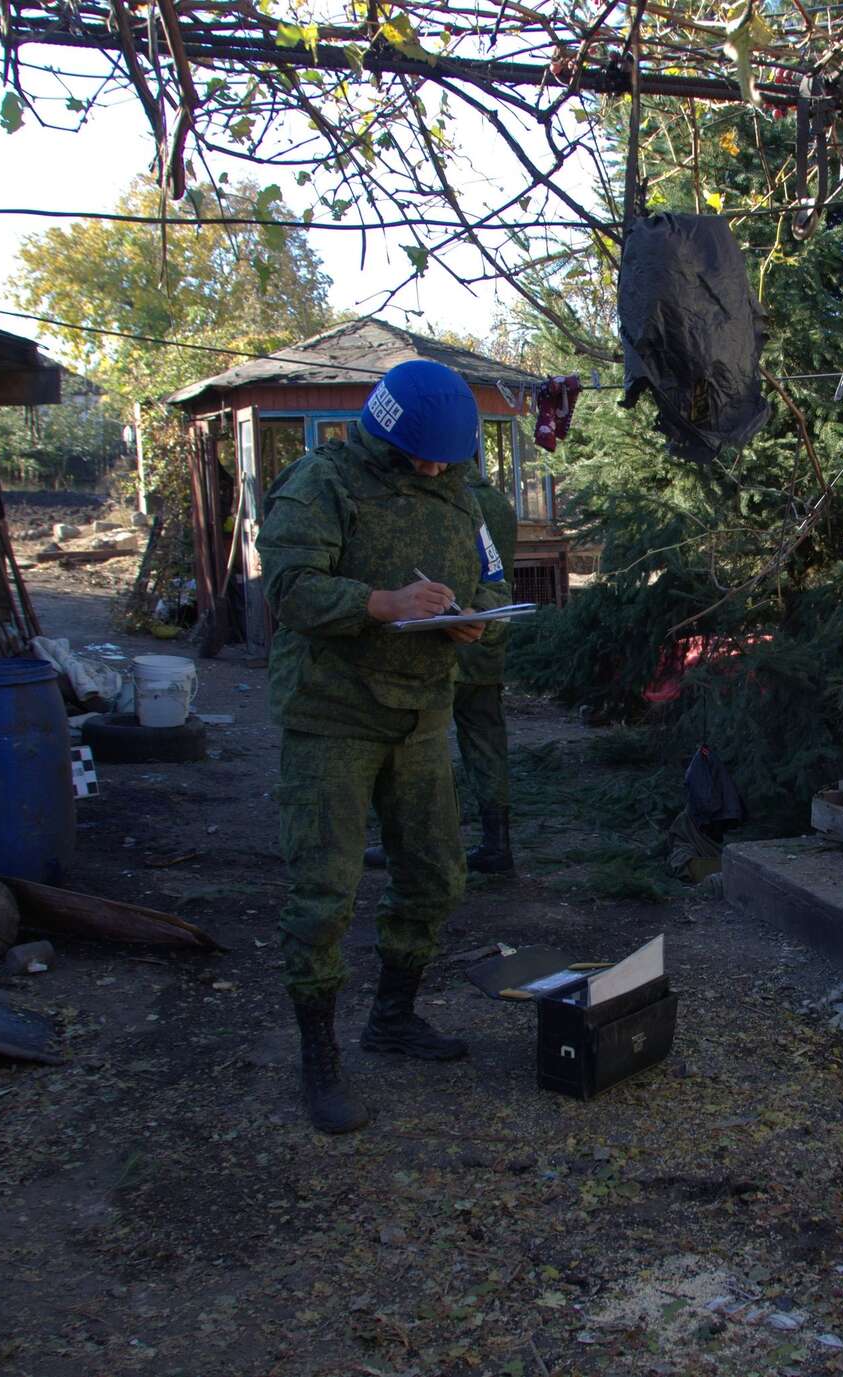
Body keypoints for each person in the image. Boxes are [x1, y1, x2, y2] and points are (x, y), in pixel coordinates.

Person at [256, 359, 507, 1134]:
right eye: (422, 457)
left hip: (422, 713)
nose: (433, 470)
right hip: (334, 715)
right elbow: (289, 588)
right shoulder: (321, 483)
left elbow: (493, 576)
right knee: (324, 893)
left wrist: (475, 616)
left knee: (434, 876)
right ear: (387, 433)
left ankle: (392, 1016)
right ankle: (319, 1057)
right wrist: (381, 603)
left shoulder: (460, 492)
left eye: (444, 459)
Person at [453, 462, 519, 873]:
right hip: (489, 641)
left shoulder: (448, 502)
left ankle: (416, 843)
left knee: (420, 745)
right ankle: (498, 843)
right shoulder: (499, 503)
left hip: (445, 639)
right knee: (486, 743)